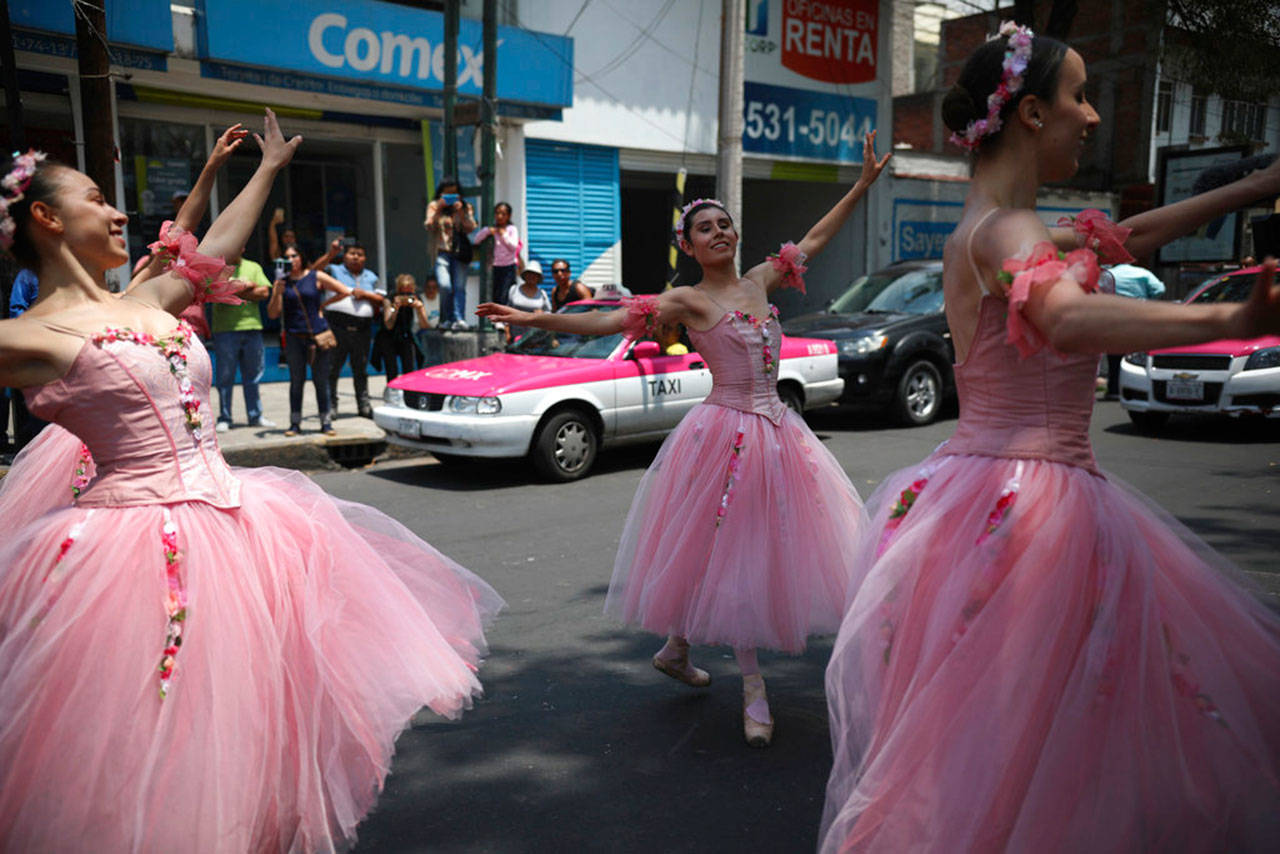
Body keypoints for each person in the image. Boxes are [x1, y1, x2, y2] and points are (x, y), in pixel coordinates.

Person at [819, 24, 1280, 852]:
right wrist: (1230, 316)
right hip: (1024, 509)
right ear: (1030, 113)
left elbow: (1129, 238)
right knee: (1027, 738)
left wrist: (1253, 187)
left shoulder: (1009, 225)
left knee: (1013, 742)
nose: (1093, 116)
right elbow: (1062, 320)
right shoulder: (1003, 233)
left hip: (1002, 495)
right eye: (1078, 95)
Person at [0, 110, 502, 852]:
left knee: (244, 730)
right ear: (45, 216)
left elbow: (219, 246)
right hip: (134, 556)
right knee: (153, 740)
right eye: (95, 199)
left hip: (241, 531)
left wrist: (266, 169)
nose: (117, 211)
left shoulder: (145, 301)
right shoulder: (29, 334)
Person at [480, 132, 890, 747]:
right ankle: (753, 687)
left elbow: (814, 240)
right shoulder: (688, 300)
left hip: (779, 431)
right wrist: (536, 318)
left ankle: (676, 647)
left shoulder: (759, 281)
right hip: (724, 434)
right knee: (735, 549)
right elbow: (607, 319)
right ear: (690, 246)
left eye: (725, 223)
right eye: (706, 228)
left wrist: (860, 186)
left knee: (738, 548)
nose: (720, 232)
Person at [267, 243, 352, 436]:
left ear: (302, 257)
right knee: (297, 381)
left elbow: (344, 291)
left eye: (294, 256)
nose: (291, 260)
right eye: (286, 257)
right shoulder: (282, 282)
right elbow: (273, 314)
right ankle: (295, 424)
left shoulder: (314, 276)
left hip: (317, 336)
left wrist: (323, 306)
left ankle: (326, 423)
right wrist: (276, 293)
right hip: (294, 336)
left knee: (321, 381)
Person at [211, 247, 275, 430]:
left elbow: (263, 293)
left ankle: (255, 416)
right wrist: (246, 286)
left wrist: (232, 289)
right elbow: (215, 293)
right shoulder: (216, 268)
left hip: (252, 327)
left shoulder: (253, 266)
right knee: (225, 377)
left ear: (244, 247)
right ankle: (225, 418)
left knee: (253, 375)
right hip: (225, 328)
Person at [322, 239, 383, 418]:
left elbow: (382, 299)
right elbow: (313, 272)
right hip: (337, 326)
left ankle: (363, 406)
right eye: (352, 254)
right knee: (333, 368)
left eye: (360, 254)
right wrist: (330, 255)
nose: (356, 257)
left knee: (361, 369)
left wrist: (365, 294)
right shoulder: (333, 270)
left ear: (365, 258)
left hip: (362, 329)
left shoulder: (371, 276)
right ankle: (331, 405)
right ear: (344, 256)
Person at [1103, 261, 1166, 398]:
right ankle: (1137, 390)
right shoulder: (1142, 273)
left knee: (1114, 357)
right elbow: (1160, 289)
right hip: (1138, 318)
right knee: (1136, 356)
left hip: (1114, 319)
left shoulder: (1109, 275)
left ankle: (1114, 389)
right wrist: (1147, 298)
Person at [424, 177, 475, 328]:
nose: (451, 198)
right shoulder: (434, 206)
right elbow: (429, 226)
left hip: (460, 252)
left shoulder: (465, 206)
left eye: (454, 194)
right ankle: (447, 317)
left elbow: (471, 227)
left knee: (459, 287)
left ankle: (459, 319)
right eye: (447, 195)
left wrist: (461, 212)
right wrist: (439, 208)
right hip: (442, 251)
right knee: (445, 285)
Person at [470, 201, 522, 306]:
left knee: (506, 294)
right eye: (497, 213)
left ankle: (505, 320)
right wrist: (487, 232)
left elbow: (513, 247)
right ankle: (496, 320)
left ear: (509, 216)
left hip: (508, 266)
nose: (499, 216)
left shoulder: (512, 229)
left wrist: (504, 235)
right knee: (495, 294)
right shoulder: (491, 229)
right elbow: (476, 240)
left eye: (503, 214)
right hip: (494, 266)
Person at [380, 273, 430, 380]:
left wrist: (420, 309)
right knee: (391, 370)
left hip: (406, 335)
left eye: (409, 293)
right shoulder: (389, 298)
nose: (406, 297)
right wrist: (395, 308)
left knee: (409, 370)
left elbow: (424, 326)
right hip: (389, 337)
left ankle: (410, 395)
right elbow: (388, 325)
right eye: (403, 293)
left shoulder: (416, 299)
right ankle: (392, 392)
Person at [504, 260, 552, 345]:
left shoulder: (542, 294)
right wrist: (507, 333)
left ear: (538, 277)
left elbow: (549, 313)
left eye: (535, 274)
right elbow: (506, 311)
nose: (531, 276)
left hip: (535, 336)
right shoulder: (514, 290)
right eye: (529, 273)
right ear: (525, 275)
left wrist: (543, 314)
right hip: (516, 336)